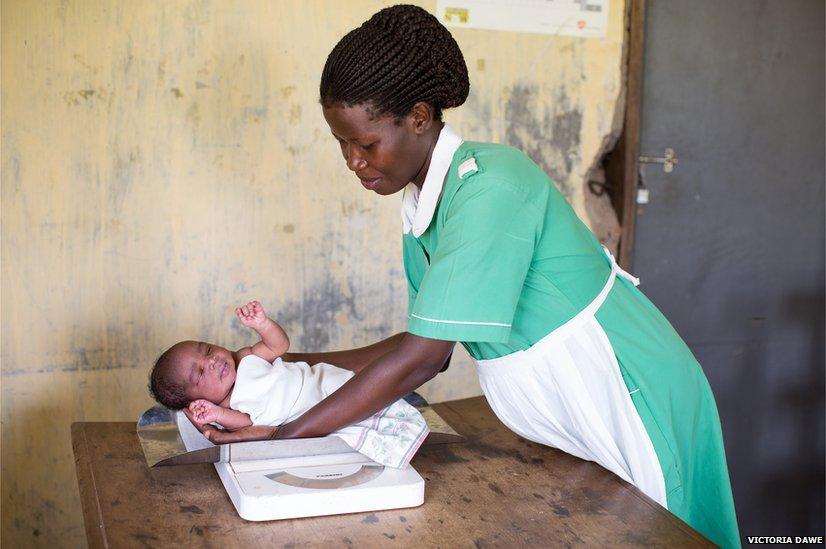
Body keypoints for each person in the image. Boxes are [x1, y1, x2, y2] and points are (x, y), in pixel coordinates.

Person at [198, 5, 740, 547]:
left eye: (365, 144)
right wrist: (285, 366)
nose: (353, 162)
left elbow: (425, 358)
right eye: (342, 144)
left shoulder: (489, 188)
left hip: (626, 389)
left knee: (671, 533)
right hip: (569, 409)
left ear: (418, 116)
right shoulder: (422, 209)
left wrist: (283, 436)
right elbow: (422, 343)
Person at [148, 300, 429, 468]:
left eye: (207, 349)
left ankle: (408, 366)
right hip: (310, 414)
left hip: (324, 383)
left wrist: (263, 324)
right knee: (362, 404)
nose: (211, 362)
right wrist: (215, 415)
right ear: (197, 400)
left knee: (369, 386)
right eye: (200, 375)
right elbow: (245, 422)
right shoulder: (228, 405)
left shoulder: (247, 358)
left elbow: (279, 345)